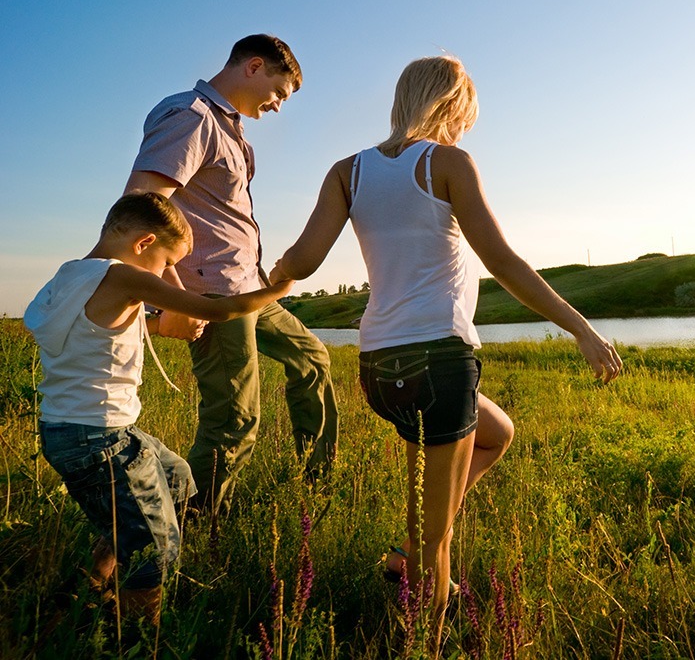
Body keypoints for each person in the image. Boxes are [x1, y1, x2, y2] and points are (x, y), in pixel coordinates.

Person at [269, 55, 622, 643]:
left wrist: (255, 287)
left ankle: (406, 554)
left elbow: (301, 263)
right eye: (466, 116)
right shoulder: (448, 162)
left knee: (498, 433)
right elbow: (503, 263)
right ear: (451, 106)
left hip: (378, 366)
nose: (464, 129)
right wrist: (582, 329)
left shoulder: (346, 171)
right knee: (440, 540)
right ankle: (424, 638)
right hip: (439, 362)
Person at [24, 192, 294, 626]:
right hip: (101, 440)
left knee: (176, 477)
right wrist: (280, 286)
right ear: (144, 243)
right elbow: (220, 309)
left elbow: (91, 328)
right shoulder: (126, 276)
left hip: (70, 432)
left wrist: (155, 325)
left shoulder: (68, 276)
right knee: (156, 548)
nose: (170, 275)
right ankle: (133, 637)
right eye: (168, 262)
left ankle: (91, 585)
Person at [123, 34, 339, 515]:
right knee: (234, 423)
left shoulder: (229, 128)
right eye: (280, 92)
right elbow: (140, 205)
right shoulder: (191, 117)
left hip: (249, 288)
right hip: (211, 295)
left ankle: (318, 486)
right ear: (254, 66)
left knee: (313, 360)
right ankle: (183, 529)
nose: (279, 106)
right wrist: (174, 299)